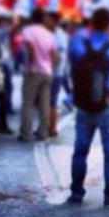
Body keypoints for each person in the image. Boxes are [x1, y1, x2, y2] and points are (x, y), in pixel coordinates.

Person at [68, 8, 109, 207]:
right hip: (108, 105)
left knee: (80, 150)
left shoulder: (77, 46)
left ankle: (76, 192)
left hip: (83, 105)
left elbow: (73, 73)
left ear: (92, 22)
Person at [18, 8, 57, 142]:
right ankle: (43, 132)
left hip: (33, 72)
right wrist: (48, 65)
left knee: (27, 103)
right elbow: (54, 54)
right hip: (47, 72)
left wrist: (31, 65)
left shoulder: (28, 31)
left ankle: (26, 133)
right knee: (44, 104)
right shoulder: (49, 33)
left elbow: (30, 48)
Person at [47, 12, 69, 137]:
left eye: (48, 19)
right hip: (49, 71)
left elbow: (59, 56)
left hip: (56, 72)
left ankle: (53, 127)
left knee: (52, 101)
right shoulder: (50, 33)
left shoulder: (60, 35)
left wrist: (49, 65)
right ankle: (46, 126)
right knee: (47, 101)